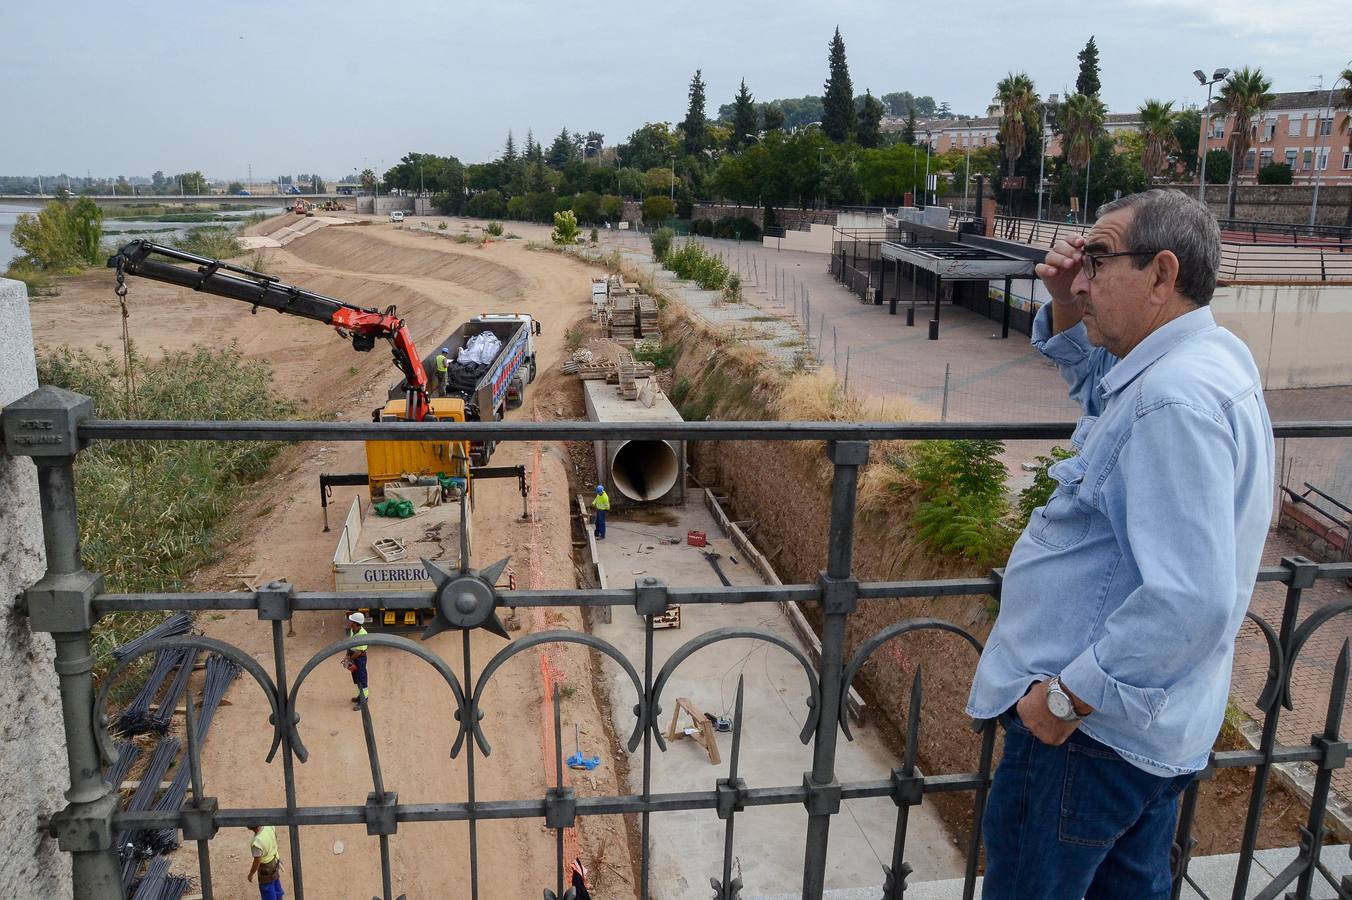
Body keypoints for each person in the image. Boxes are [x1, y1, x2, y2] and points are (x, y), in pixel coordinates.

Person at [966, 189, 1274, 900]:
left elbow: (1188, 600)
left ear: (1162, 275)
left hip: (1089, 738)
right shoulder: (1197, 362)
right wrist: (1068, 303)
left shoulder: (1172, 402)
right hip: (1144, 732)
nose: (1079, 277)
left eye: (1098, 261)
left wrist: (1065, 701)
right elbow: (1099, 385)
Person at [246, 824, 284, 899]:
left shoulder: (257, 843)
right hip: (275, 861)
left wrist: (251, 874)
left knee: (267, 891)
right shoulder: (269, 826)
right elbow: (275, 838)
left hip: (266, 869)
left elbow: (257, 862)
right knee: (276, 884)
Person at [346, 612, 369, 710]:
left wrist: (350, 659)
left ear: (356, 623)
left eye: (352, 622)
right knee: (356, 678)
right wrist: (347, 655)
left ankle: (363, 701)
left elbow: (359, 652)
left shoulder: (363, 634)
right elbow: (350, 643)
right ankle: (360, 696)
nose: (350, 623)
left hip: (359, 659)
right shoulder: (353, 630)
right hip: (353, 656)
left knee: (362, 679)